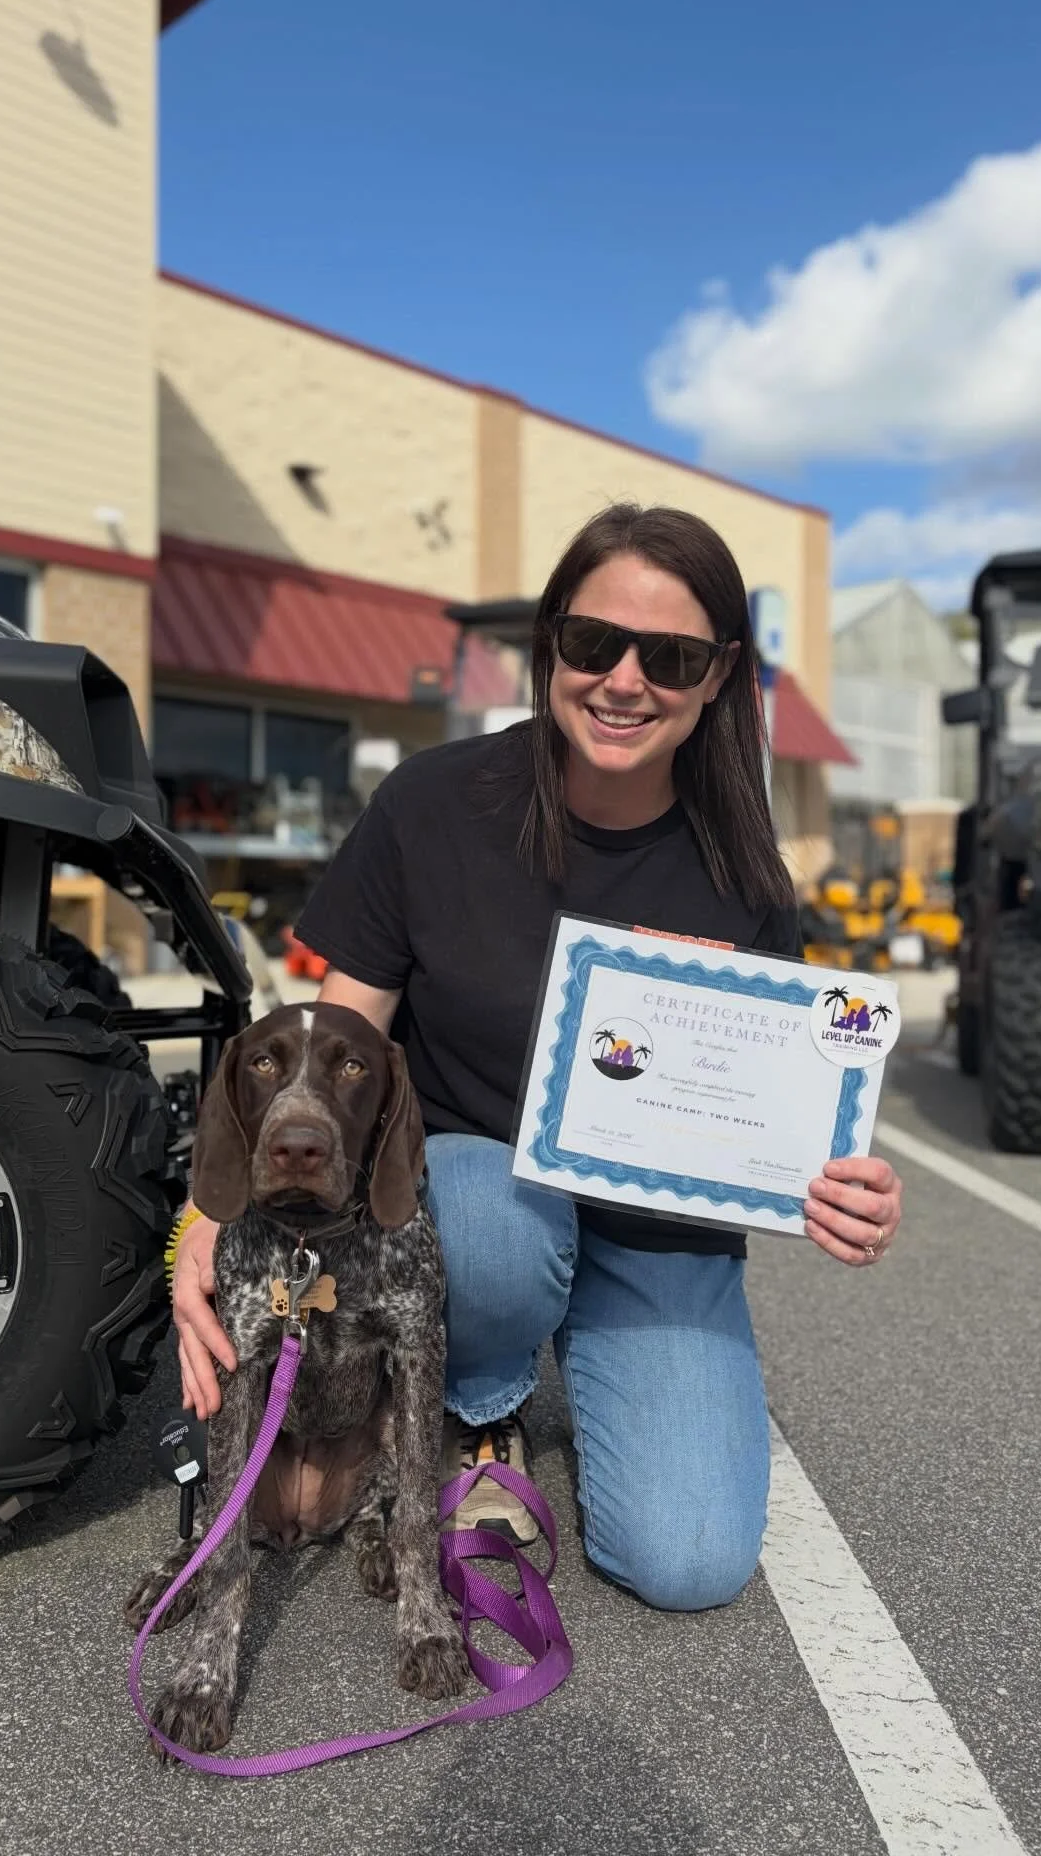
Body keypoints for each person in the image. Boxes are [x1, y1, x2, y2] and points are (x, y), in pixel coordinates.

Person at [169, 504, 903, 1612]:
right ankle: (482, 1408)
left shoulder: (745, 872)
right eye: (594, 642)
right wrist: (209, 1220)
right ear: (551, 641)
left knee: (690, 1562)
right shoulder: (434, 803)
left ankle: (578, 1350)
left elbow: (780, 1111)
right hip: (486, 1198)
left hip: (661, 1231)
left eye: (672, 658)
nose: (624, 680)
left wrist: (847, 1189)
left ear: (718, 677)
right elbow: (329, 1050)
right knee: (493, 1222)